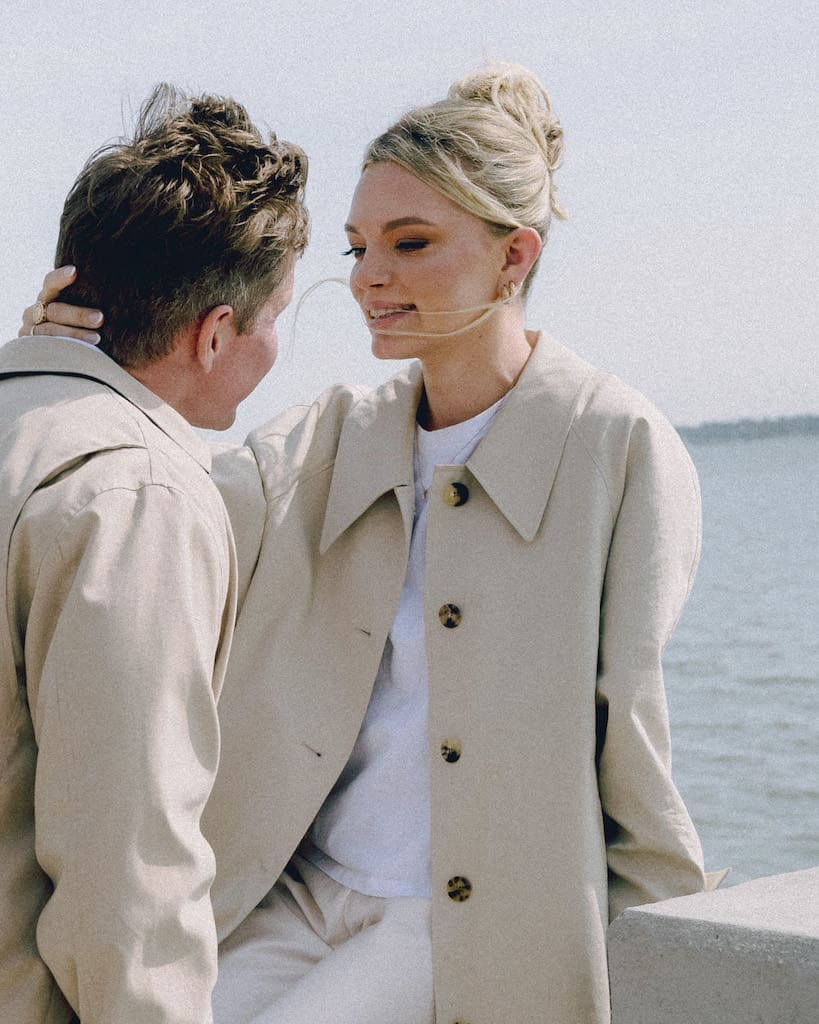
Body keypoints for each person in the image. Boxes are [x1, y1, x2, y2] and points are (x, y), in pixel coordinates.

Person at [22, 64, 715, 1024]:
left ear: (514, 255)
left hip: (450, 914)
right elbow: (142, 523)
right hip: (290, 889)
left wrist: (673, 951)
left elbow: (629, 728)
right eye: (355, 248)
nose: (365, 279)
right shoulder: (327, 437)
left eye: (409, 242)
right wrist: (72, 369)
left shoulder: (613, 443)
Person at [2, 85, 307, 1023]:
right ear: (215, 333)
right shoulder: (139, 496)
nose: (278, 346)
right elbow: (127, 877)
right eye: (275, 317)